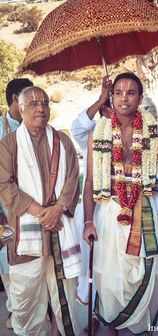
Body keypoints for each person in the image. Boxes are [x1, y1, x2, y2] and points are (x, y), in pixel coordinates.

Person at [83, 72, 158, 336]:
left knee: (146, 275)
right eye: (118, 92)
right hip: (110, 210)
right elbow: (90, 181)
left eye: (130, 92)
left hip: (145, 208)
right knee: (108, 280)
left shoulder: (153, 131)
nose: (123, 97)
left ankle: (143, 329)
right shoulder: (99, 133)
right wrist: (87, 221)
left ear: (139, 98)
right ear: (111, 96)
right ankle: (112, 330)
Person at [0, 86, 81, 336]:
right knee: (26, 294)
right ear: (20, 108)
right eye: (33, 103)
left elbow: (72, 179)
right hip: (25, 235)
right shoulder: (9, 143)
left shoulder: (63, 140)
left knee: (64, 291)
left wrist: (57, 209)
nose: (40, 108)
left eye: (45, 103)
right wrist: (41, 212)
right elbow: (4, 183)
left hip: (59, 229)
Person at [71, 76, 113, 334]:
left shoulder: (134, 129)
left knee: (112, 268)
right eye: (107, 105)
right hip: (90, 209)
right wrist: (100, 98)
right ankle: (95, 315)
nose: (112, 108)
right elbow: (76, 126)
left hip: (118, 208)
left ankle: (114, 318)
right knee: (93, 264)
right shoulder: (91, 133)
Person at [0, 78, 33, 330]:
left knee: (30, 257)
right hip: (3, 210)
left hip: (31, 206)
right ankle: (15, 310)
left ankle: (32, 309)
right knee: (6, 259)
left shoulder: (36, 126)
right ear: (15, 100)